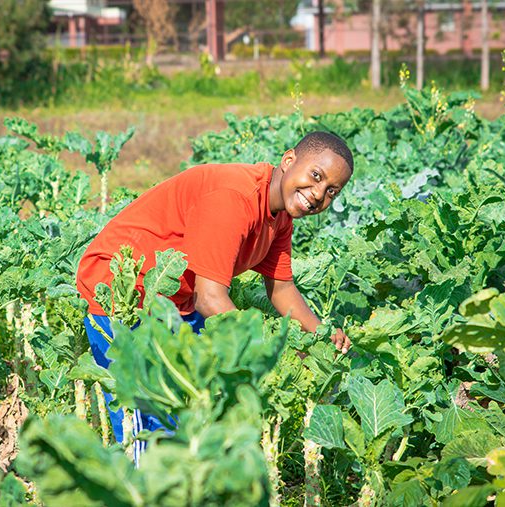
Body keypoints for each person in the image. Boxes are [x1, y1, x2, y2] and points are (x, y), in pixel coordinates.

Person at [76, 131, 353, 457]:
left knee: (197, 410)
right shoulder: (234, 198)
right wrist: (271, 353)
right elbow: (210, 300)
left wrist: (320, 335)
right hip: (120, 295)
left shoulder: (278, 215)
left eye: (331, 190)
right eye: (315, 176)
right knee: (147, 423)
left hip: (173, 303)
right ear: (289, 160)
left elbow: (281, 286)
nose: (318, 194)